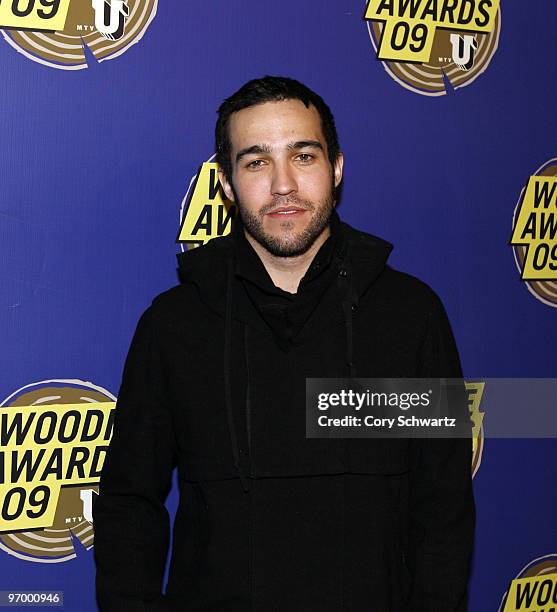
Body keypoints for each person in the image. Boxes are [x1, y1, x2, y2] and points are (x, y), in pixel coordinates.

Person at [93, 76, 475, 611]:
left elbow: (442, 507)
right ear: (226, 182)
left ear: (336, 168)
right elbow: (130, 504)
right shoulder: (173, 325)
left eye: (303, 155)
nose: (282, 185)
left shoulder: (411, 316)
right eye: (255, 162)